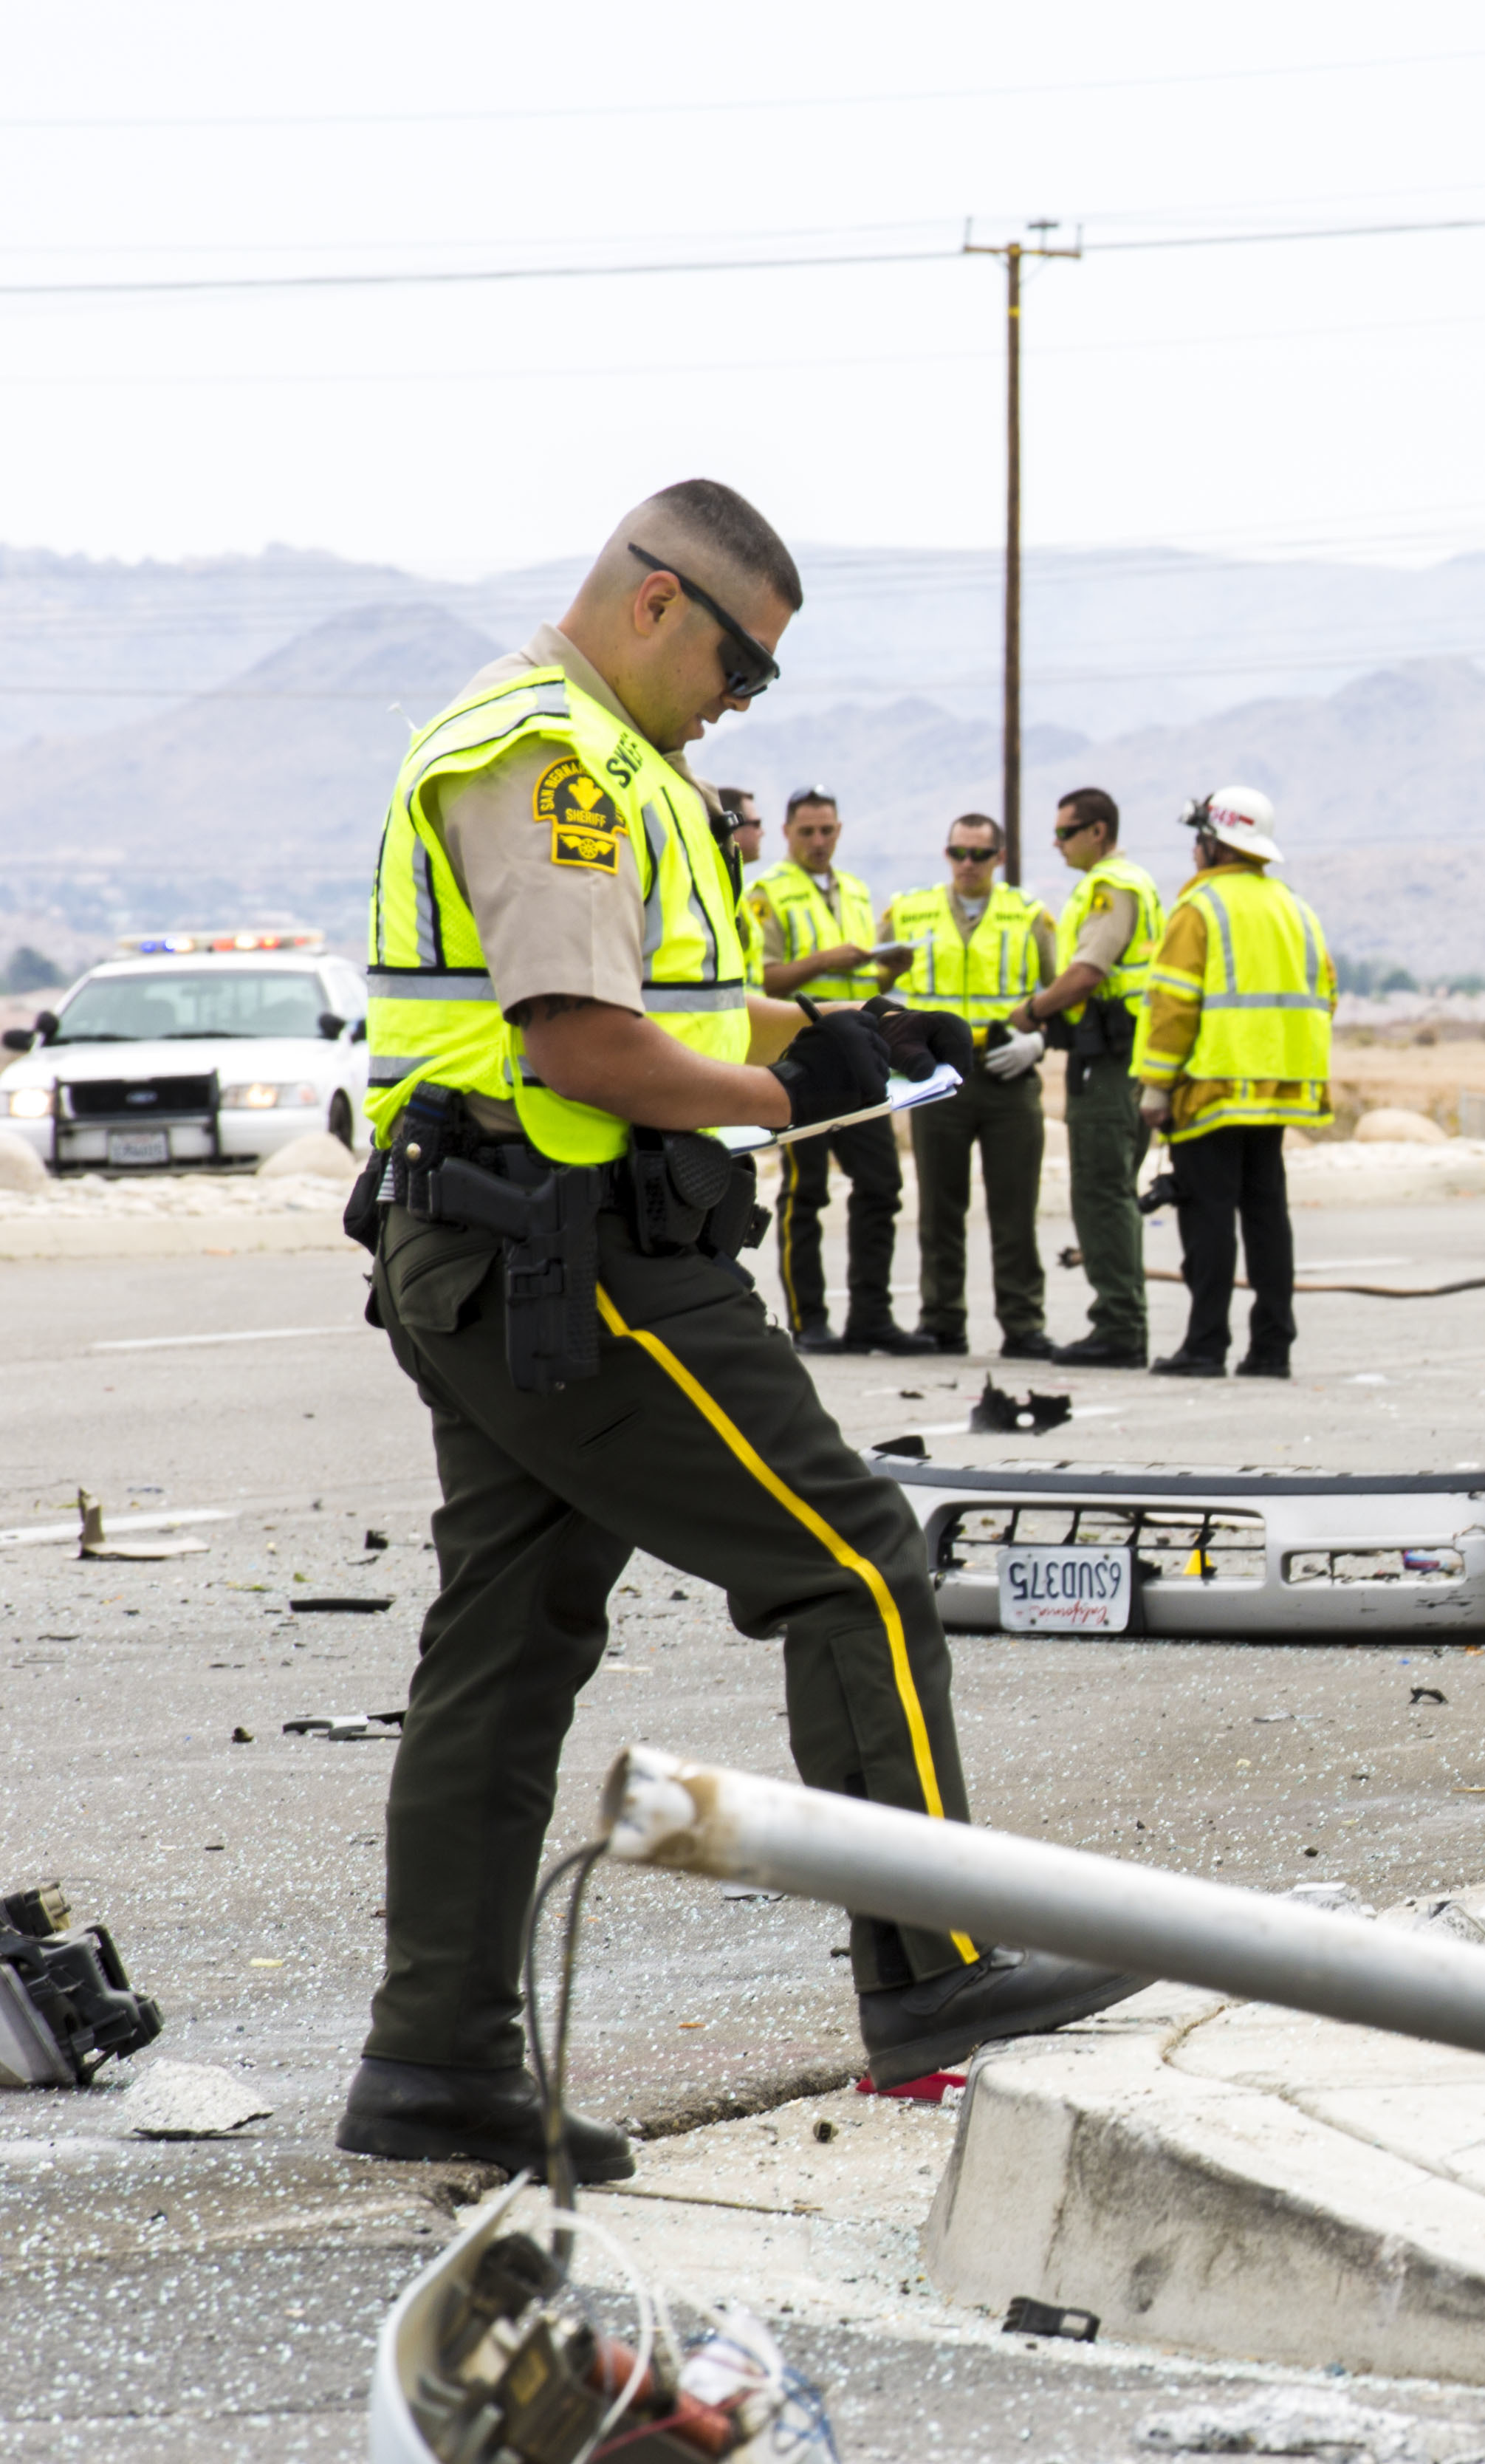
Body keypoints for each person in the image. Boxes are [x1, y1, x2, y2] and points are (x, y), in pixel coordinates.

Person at [335, 481, 1145, 2179]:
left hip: (518, 1248)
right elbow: (579, 1040)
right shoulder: (542, 756)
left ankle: (435, 2063)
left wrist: (870, 1028)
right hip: (575, 1246)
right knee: (851, 1563)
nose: (743, 700)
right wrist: (789, 1088)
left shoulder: (614, 763)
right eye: (741, 665)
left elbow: (673, 998)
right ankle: (935, 1972)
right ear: (653, 600)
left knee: (507, 1641)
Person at [1136, 784, 1335, 1377]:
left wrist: (1155, 1086)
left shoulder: (1200, 909)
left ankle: (1205, 1346)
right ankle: (1272, 1349)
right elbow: (1327, 994)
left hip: (1211, 1087)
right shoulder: (1294, 906)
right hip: (1279, 1094)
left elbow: (1174, 1005)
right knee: (1268, 1218)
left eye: (1199, 839)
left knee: (1209, 1218)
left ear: (1214, 843)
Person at [740, 787, 918, 1350]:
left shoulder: (859, 894)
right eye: (807, 832)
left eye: (827, 831)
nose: (819, 842)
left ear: (840, 831)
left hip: (861, 1066)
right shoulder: (769, 895)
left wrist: (889, 972)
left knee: (881, 1185)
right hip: (805, 1062)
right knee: (807, 1190)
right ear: (788, 835)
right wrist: (822, 961)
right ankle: (809, 1319)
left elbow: (861, 987)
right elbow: (763, 982)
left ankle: (871, 1316)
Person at [886, 815, 1057, 1358]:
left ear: (999, 859)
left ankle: (1023, 1323)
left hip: (1008, 1074)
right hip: (938, 1078)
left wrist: (1039, 1042)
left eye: (979, 855)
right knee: (939, 1206)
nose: (967, 863)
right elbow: (876, 989)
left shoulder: (1029, 916)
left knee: (1014, 1207)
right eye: (958, 852)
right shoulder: (908, 913)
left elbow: (1056, 995)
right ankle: (941, 1321)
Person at [1012, 785, 1166, 1367]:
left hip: (1108, 1060)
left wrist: (1030, 1012)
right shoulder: (1131, 883)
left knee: (1102, 1195)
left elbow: (1085, 974)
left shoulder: (1111, 888)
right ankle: (1121, 1321)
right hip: (1118, 1055)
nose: (1057, 844)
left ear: (1097, 832)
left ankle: (1120, 1327)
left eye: (1065, 832)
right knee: (1111, 1192)